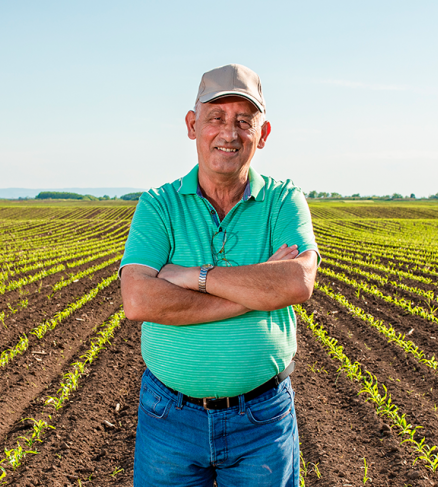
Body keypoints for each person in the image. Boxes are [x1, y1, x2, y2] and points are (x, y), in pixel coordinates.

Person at [119, 63, 320, 487]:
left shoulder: (285, 201)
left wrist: (192, 276)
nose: (229, 133)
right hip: (169, 417)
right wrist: (256, 289)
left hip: (262, 419)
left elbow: (296, 283)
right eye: (216, 118)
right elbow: (139, 299)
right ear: (193, 126)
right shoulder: (159, 205)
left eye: (244, 121)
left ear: (263, 134)